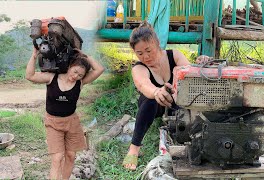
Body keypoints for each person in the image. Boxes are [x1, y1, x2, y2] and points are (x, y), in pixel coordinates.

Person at [122, 21, 208, 170]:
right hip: (154, 107)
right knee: (150, 100)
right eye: (140, 53)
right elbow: (143, 85)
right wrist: (157, 92)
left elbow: (189, 75)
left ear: (157, 43)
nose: (146, 56)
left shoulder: (174, 55)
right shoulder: (139, 68)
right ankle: (134, 148)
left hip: (178, 101)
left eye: (149, 50)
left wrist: (200, 65)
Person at [26, 48, 104, 179]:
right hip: (53, 122)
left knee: (71, 156)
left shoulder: (80, 83)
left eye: (80, 75)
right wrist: (34, 56)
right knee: (57, 158)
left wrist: (86, 56)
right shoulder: (51, 77)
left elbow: (99, 70)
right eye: (75, 72)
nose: (76, 76)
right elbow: (30, 76)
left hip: (72, 122)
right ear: (69, 66)